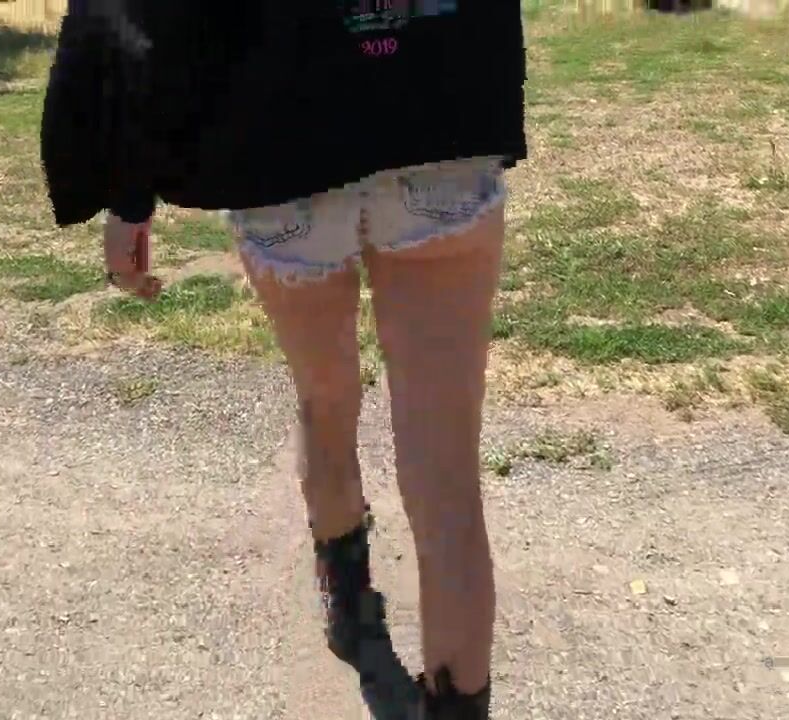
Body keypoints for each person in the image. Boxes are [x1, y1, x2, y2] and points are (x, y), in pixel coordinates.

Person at [42, 2, 526, 717]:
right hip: (441, 119)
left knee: (324, 397)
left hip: (281, 141)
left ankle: (349, 605)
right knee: (445, 471)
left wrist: (127, 192)